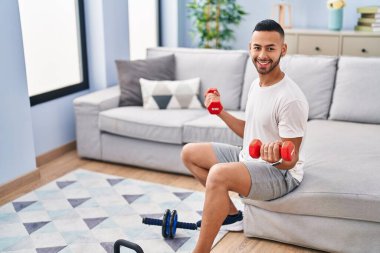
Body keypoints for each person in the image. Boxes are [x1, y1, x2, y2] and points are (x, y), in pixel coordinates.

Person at [181, 19, 309, 253]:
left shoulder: (291, 98)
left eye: (270, 48)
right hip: (250, 158)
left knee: (219, 175)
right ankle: (231, 217)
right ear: (250, 47)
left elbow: (290, 160)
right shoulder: (256, 85)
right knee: (189, 152)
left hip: (281, 175)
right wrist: (220, 112)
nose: (263, 55)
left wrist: (275, 159)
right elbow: (251, 132)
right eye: (257, 47)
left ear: (283, 50)